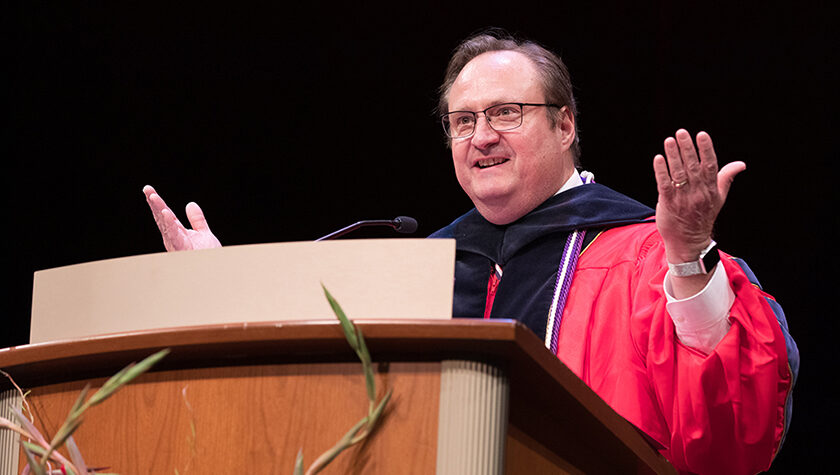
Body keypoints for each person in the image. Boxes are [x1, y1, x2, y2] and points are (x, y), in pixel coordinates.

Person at [144, 31, 798, 475]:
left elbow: (730, 441)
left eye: (506, 112)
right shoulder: (428, 268)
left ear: (566, 123)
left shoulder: (645, 252)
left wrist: (688, 259)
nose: (481, 137)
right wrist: (220, 286)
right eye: (462, 120)